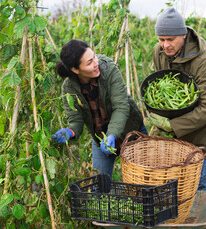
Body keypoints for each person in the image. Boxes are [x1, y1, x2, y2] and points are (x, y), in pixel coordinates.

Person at [52, 39, 148, 178]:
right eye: (89, 62)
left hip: (130, 131)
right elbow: (76, 120)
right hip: (101, 139)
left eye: (94, 57)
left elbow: (121, 107)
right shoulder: (69, 88)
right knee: (100, 184)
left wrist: (112, 135)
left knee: (142, 182)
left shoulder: (108, 70)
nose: (96, 63)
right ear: (75, 70)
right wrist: (70, 131)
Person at [151, 7, 206, 191]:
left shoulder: (204, 61)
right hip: (176, 139)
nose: (165, 45)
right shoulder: (159, 52)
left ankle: (200, 219)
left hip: (201, 136)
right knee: (178, 187)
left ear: (183, 35)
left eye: (170, 39)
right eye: (161, 39)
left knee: (196, 188)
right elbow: (160, 87)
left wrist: (172, 125)